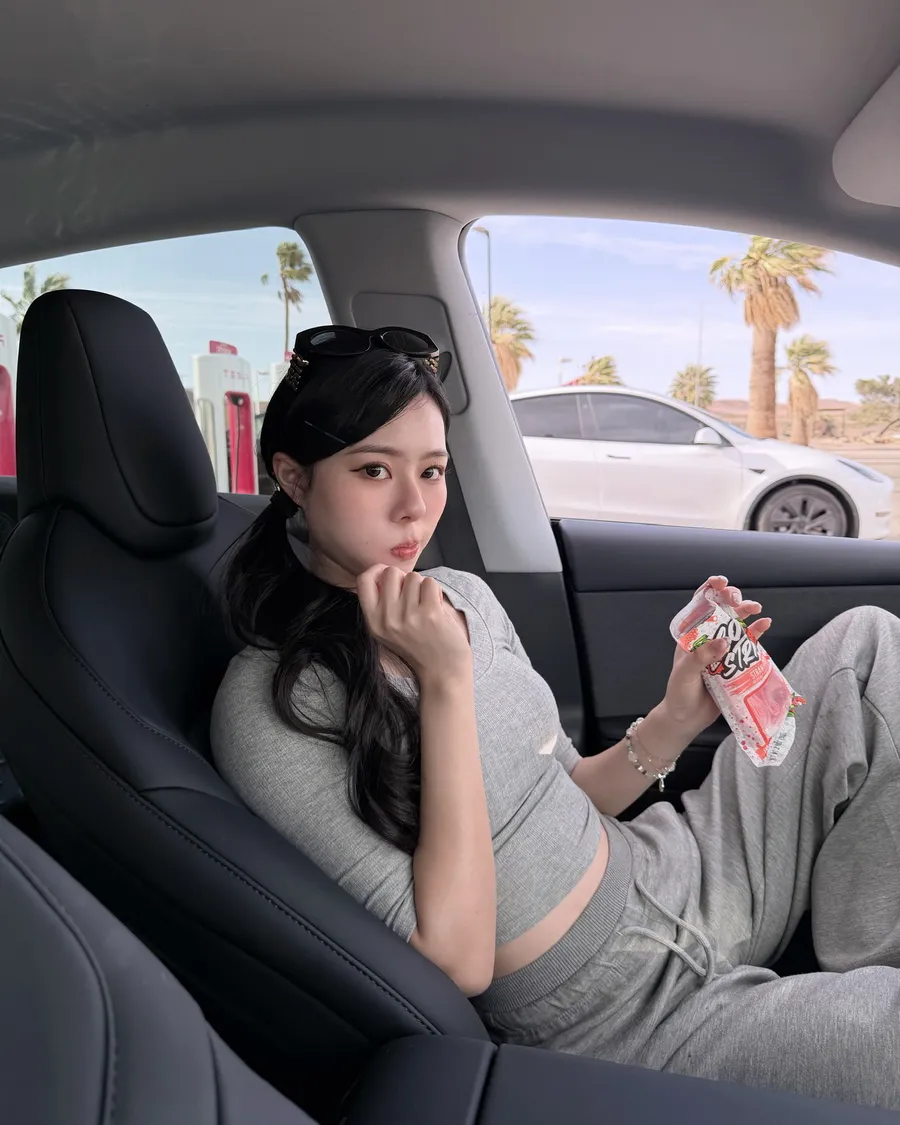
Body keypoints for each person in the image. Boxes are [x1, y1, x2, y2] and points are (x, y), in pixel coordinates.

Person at [212, 325, 900, 1110]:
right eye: (374, 470)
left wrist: (674, 719)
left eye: (432, 470)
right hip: (616, 1017)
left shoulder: (462, 597)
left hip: (673, 870)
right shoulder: (274, 705)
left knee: (868, 651)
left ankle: (866, 964)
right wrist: (444, 682)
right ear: (293, 477)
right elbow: (457, 958)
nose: (415, 507)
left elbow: (569, 788)